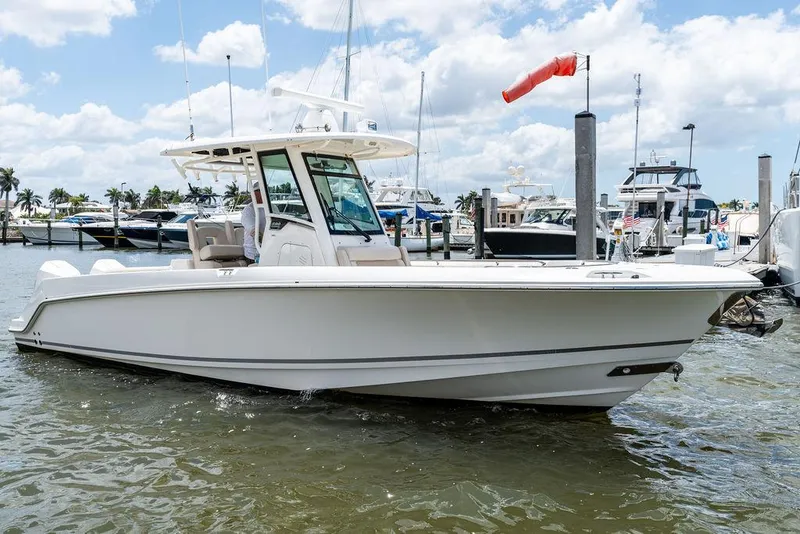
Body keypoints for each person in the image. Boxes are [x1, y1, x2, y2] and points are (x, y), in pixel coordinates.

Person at [241, 181, 267, 264]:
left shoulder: (272, 208)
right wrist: (269, 242)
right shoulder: (248, 210)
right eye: (259, 191)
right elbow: (254, 232)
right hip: (253, 254)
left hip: (268, 251)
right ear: (254, 193)